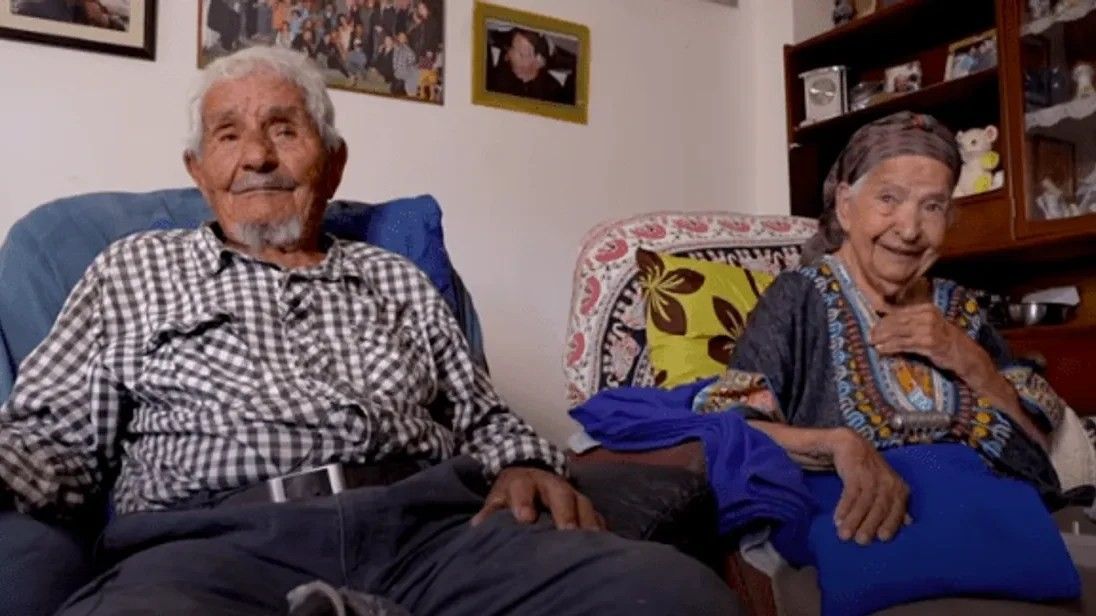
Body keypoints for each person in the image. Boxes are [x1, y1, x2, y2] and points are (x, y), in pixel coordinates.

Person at [0, 46, 736, 614]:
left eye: (283, 130)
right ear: (199, 170)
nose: (257, 156)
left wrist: (526, 462)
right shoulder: (131, 270)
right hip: (211, 547)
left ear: (333, 160)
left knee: (672, 593)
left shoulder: (394, 278)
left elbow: (482, 417)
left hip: (426, 532)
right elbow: (51, 442)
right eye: (229, 136)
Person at [711, 111, 1072, 547]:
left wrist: (973, 363)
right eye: (889, 198)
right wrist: (838, 444)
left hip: (997, 527)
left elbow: (1040, 448)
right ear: (846, 206)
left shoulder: (959, 306)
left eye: (933, 206)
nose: (909, 229)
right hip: (873, 537)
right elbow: (726, 424)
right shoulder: (798, 298)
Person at [487, 28, 570, 105]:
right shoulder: (494, 78)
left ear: (539, 62)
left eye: (521, 54)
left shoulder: (553, 94)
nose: (509, 54)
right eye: (512, 48)